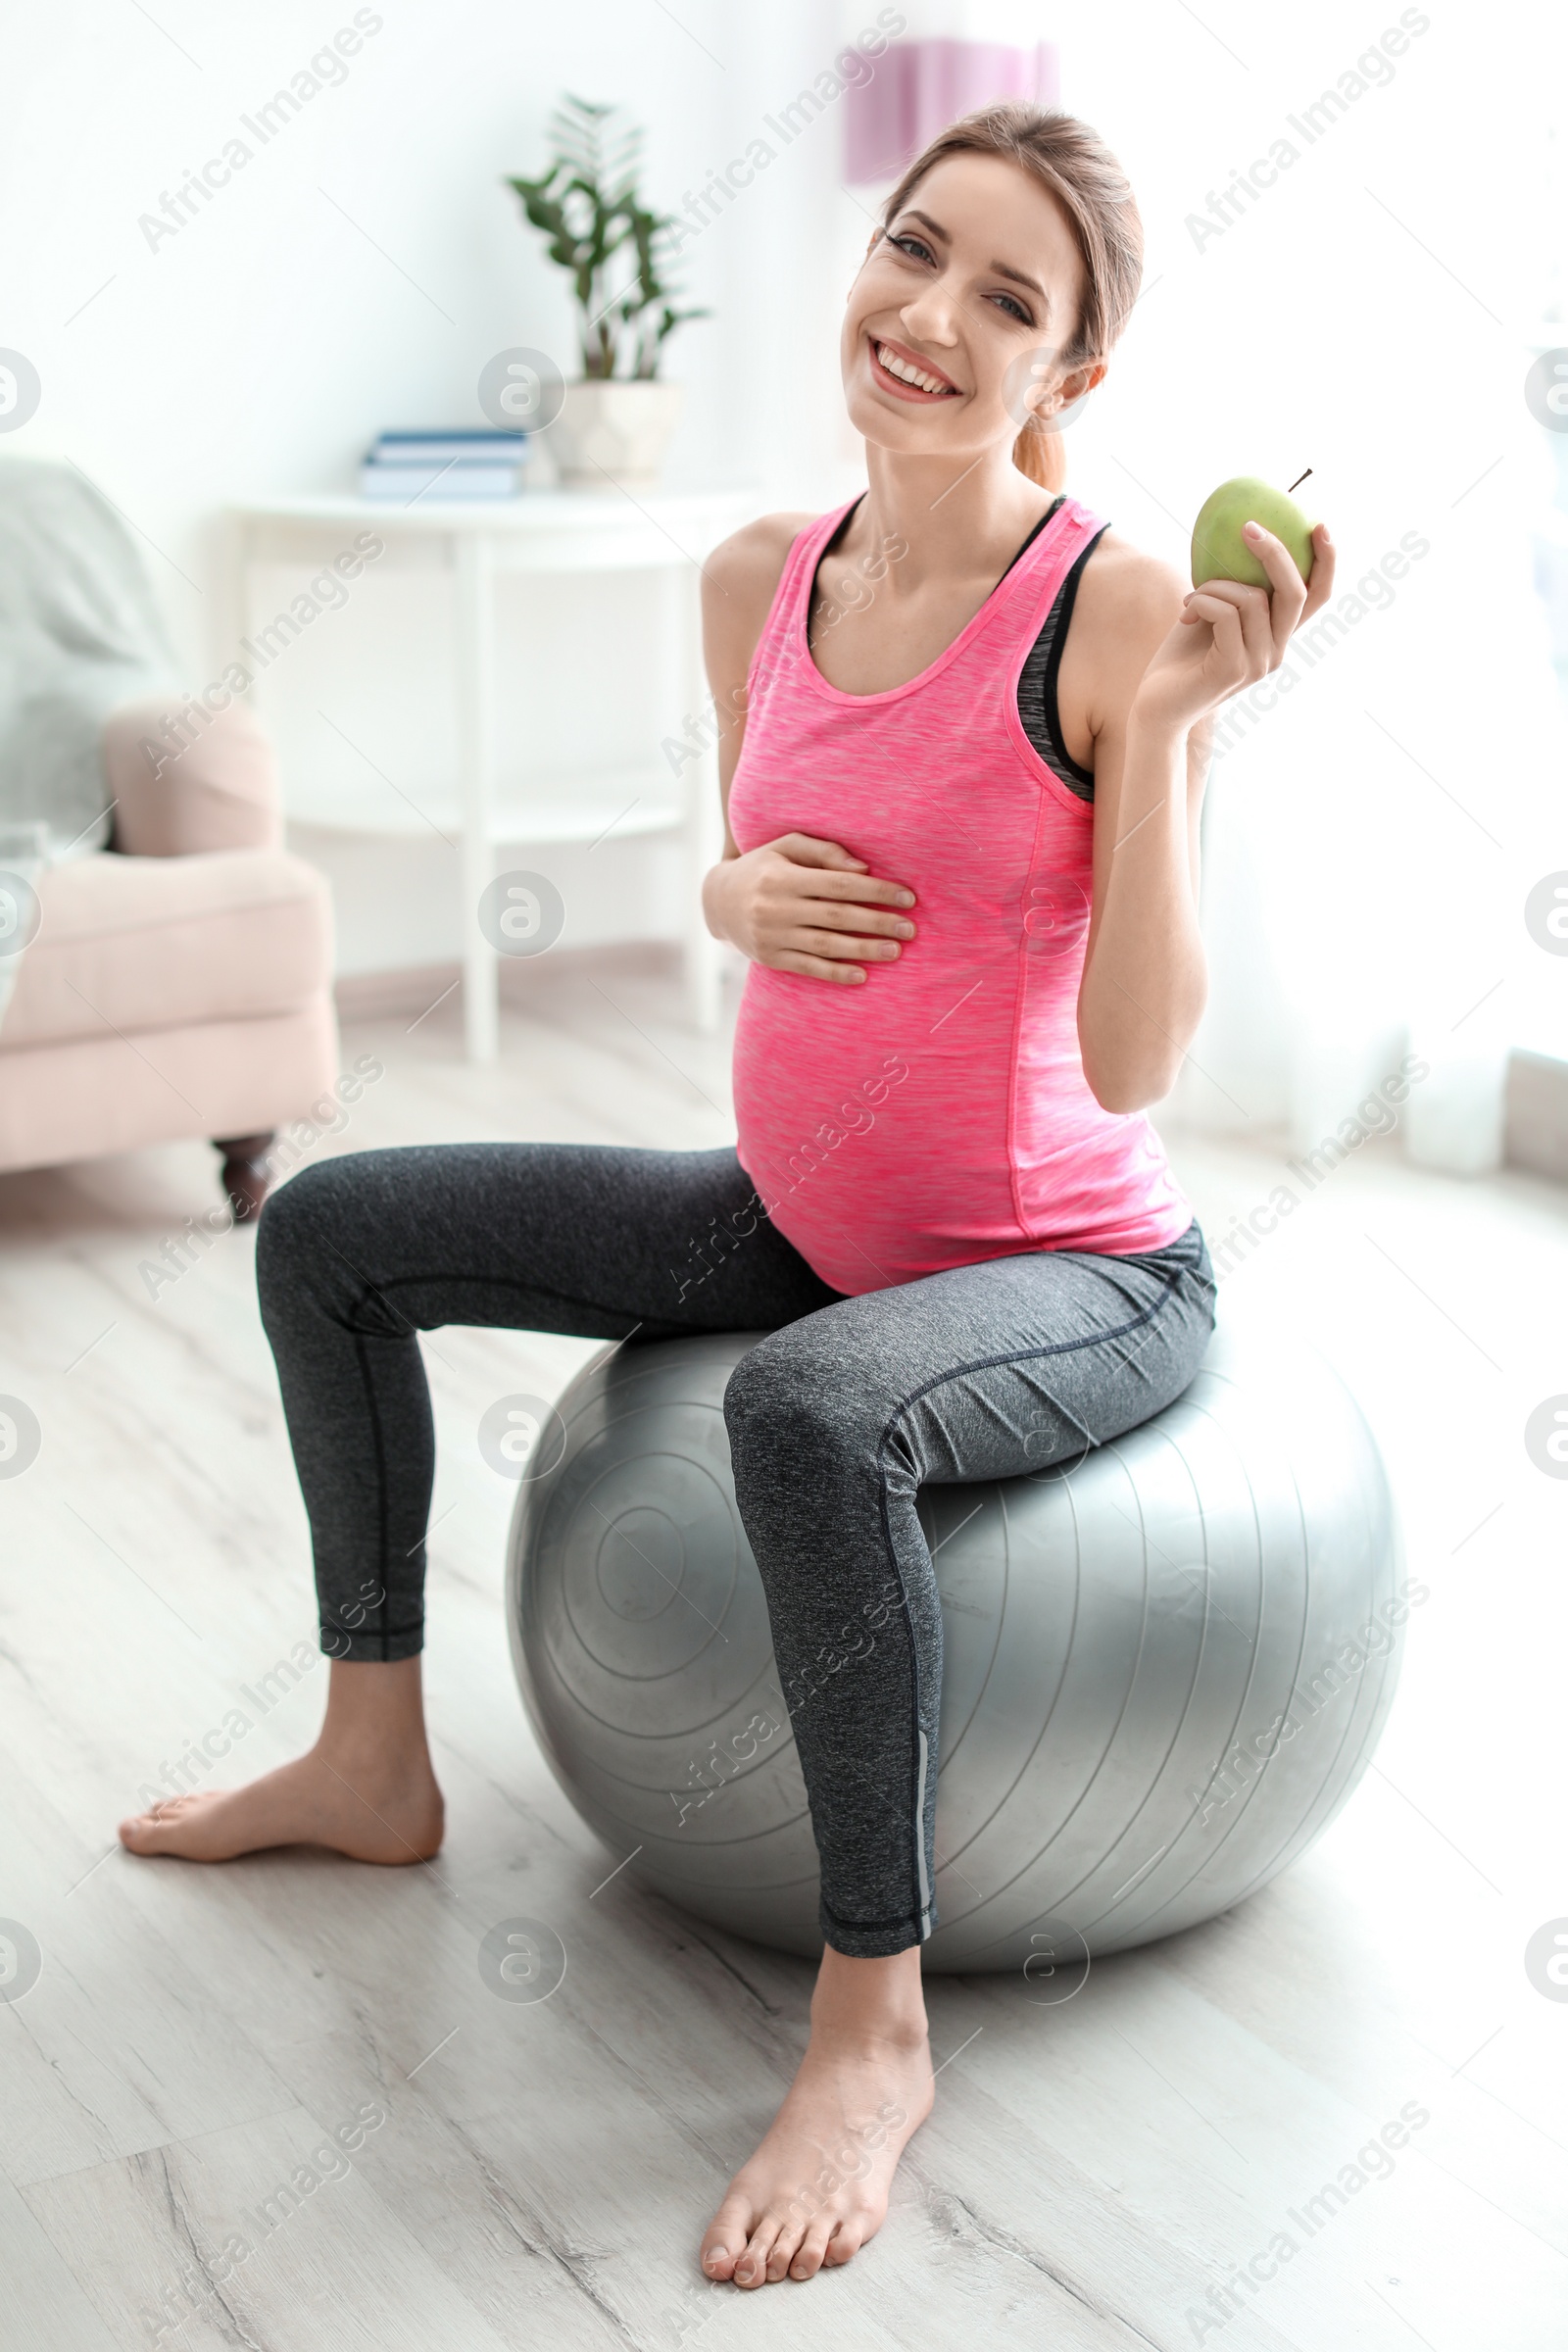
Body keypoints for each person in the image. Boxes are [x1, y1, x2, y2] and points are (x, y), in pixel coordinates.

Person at [120, 103, 1336, 2290]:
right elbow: (771, 876)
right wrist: (719, 884)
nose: (928, 316)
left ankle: (871, 2020)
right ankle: (369, 1751)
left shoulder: (1117, 604)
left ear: (1069, 373)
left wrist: (1163, 741)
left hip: (1068, 1269)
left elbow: (1139, 1061)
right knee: (325, 1229)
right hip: (793, 1210)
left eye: (1006, 299)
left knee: (806, 1416)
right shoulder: (752, 576)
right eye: (911, 249)